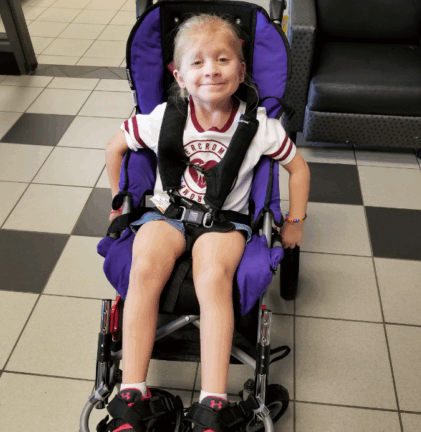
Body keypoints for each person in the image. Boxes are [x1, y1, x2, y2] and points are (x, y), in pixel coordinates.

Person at [102, 13, 310, 432]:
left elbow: (299, 170)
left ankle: (212, 404)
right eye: (197, 63)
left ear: (242, 70)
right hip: (166, 213)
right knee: (144, 269)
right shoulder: (164, 117)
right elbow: (116, 147)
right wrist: (116, 200)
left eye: (222, 60)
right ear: (178, 75)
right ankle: (132, 394)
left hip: (225, 223)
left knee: (213, 276)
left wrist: (295, 222)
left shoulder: (260, 129)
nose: (211, 70)